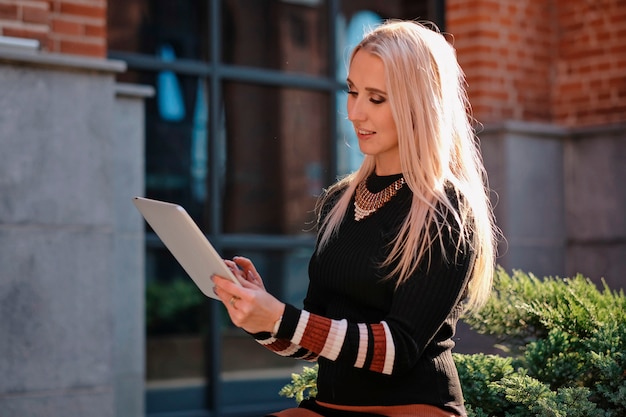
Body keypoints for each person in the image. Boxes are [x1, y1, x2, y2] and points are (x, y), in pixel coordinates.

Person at [212, 19, 498, 417]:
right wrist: (258, 315)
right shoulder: (338, 203)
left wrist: (280, 316)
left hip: (413, 409)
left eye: (376, 99)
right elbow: (314, 341)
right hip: (330, 405)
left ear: (419, 103)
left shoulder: (446, 209)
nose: (354, 113)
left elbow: (398, 349)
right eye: (352, 92)